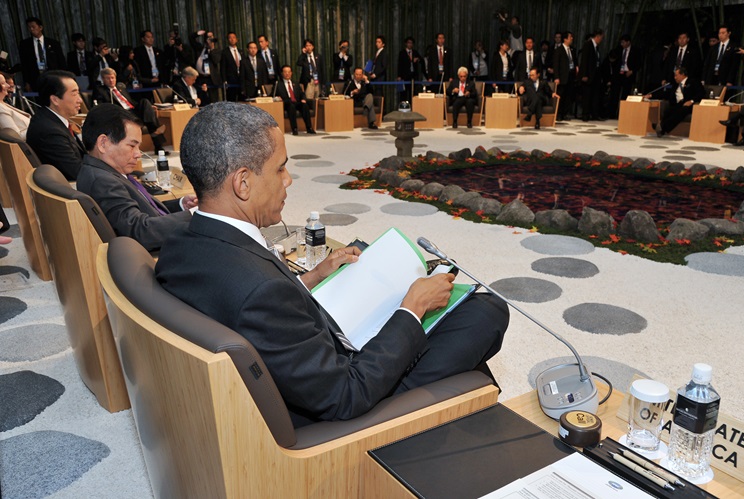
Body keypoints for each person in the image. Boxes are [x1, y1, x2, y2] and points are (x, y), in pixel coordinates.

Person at [155, 102, 508, 426]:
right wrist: (412, 309)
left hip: (302, 361)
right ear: (243, 183)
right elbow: (346, 395)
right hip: (341, 403)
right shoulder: (261, 293)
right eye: (280, 168)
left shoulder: (179, 245)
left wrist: (311, 278)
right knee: (486, 311)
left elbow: (249, 306)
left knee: (454, 313)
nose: (288, 180)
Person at [77, 104, 196, 251]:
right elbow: (139, 231)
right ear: (103, 143)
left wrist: (182, 205)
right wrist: (194, 215)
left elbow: (146, 209)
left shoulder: (104, 172)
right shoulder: (103, 181)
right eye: (132, 146)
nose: (138, 154)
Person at [26, 70, 85, 180]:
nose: (80, 100)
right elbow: (77, 172)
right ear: (55, 100)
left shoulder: (51, 120)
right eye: (74, 94)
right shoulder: (49, 132)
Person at [93, 67, 166, 151]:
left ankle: (155, 131)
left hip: (132, 111)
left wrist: (148, 107)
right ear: (103, 79)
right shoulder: (100, 90)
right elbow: (101, 106)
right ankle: (157, 140)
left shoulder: (121, 88)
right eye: (108, 78)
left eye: (112, 78)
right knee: (150, 120)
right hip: (122, 114)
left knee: (145, 102)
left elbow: (131, 102)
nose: (111, 80)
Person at [646, 66, 704, 137]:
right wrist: (651, 95)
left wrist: (692, 101)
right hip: (678, 104)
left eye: (676, 75)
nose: (675, 77)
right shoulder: (674, 85)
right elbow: (665, 93)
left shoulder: (693, 82)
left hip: (689, 105)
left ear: (682, 74)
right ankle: (661, 129)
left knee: (683, 110)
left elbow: (701, 93)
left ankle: (662, 127)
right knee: (669, 110)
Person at [18, 16, 66, 91]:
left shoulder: (53, 43)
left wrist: (63, 78)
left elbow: (61, 61)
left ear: (40, 27)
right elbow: (24, 64)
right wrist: (27, 82)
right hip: (35, 78)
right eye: (29, 27)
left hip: (52, 76)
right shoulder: (25, 44)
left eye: (33, 27)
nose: (31, 29)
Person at [275, 65, 315, 135]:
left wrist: (303, 99)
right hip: (286, 103)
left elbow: (302, 93)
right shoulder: (278, 84)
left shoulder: (296, 83)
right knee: (291, 106)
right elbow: (273, 95)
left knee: (305, 105)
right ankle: (294, 128)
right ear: (282, 73)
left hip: (296, 102)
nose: (287, 74)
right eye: (285, 72)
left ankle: (309, 128)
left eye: (289, 72)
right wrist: (277, 98)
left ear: (291, 73)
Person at [578, 28, 604, 121]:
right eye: (601, 37)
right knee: (587, 95)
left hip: (595, 74)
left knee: (595, 95)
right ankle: (585, 115)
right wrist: (584, 74)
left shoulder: (596, 47)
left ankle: (594, 114)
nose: (601, 40)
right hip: (588, 74)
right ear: (598, 36)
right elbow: (584, 60)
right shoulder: (588, 44)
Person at [190, 30, 221, 103]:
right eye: (208, 37)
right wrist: (198, 33)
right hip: (200, 78)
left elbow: (216, 60)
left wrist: (211, 49)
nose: (209, 39)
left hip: (211, 79)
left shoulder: (216, 51)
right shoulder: (200, 48)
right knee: (202, 99)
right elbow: (191, 38)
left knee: (213, 100)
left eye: (211, 37)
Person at [552, 31, 577, 120]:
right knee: (561, 96)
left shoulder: (572, 50)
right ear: (565, 39)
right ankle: (558, 114)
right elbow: (556, 65)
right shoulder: (559, 50)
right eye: (570, 37)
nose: (572, 38)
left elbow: (574, 61)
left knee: (568, 95)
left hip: (570, 75)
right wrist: (556, 77)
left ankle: (565, 113)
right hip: (562, 77)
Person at [0, 73, 31, 139]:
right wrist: (38, 127)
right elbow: (15, 138)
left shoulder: (2, 103)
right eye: (3, 83)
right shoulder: (0, 109)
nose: (8, 86)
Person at [617, 34, 642, 99]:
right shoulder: (619, 49)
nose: (622, 44)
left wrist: (632, 71)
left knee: (626, 92)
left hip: (628, 73)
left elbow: (639, 63)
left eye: (623, 42)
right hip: (620, 72)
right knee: (616, 91)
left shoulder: (635, 50)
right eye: (621, 42)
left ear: (628, 42)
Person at [220, 32, 243, 102]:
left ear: (237, 39)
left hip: (241, 79)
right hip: (230, 80)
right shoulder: (225, 52)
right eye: (230, 38)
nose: (232, 39)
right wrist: (224, 80)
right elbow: (223, 67)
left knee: (241, 100)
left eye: (234, 37)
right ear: (228, 40)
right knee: (231, 100)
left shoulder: (241, 51)